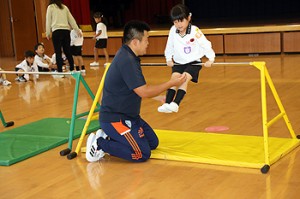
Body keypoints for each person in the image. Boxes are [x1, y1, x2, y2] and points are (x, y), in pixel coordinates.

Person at [85, 20, 187, 163]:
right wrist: (171, 83)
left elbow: (134, 87)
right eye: (146, 40)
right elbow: (143, 92)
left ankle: (113, 138)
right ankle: (101, 144)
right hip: (116, 119)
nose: (148, 43)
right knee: (142, 153)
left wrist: (157, 97)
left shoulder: (129, 56)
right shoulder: (127, 60)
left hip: (130, 117)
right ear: (135, 42)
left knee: (153, 143)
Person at [157, 4, 216, 113]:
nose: (178, 24)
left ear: (188, 18)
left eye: (181, 21)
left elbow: (205, 44)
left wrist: (211, 59)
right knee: (173, 80)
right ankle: (167, 104)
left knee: (183, 79)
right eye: (175, 22)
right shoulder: (172, 30)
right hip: (179, 63)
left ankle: (176, 104)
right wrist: (168, 58)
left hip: (194, 63)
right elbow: (169, 45)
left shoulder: (195, 31)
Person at [45, 0, 82, 77]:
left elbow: (48, 20)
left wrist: (48, 33)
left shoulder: (50, 7)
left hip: (56, 31)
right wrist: (77, 29)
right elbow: (71, 19)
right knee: (67, 51)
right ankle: (72, 69)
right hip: (66, 31)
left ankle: (60, 72)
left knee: (58, 52)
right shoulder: (64, 7)